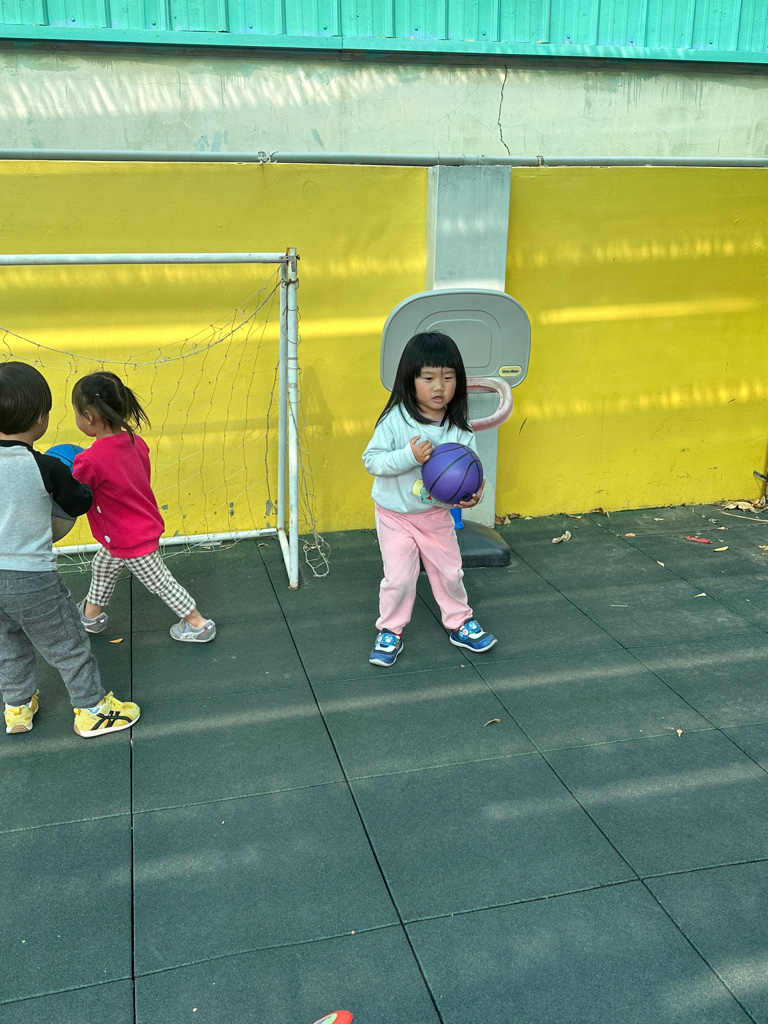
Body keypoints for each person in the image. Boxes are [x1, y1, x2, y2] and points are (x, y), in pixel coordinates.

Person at [0, 361, 140, 737]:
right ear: (41, 418)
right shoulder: (46, 467)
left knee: (8, 643)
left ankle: (17, 708)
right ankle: (92, 710)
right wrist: (81, 484)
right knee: (68, 643)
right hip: (31, 578)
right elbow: (78, 501)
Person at [362, 331, 497, 667]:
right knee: (398, 579)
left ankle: (460, 622)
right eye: (428, 378)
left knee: (450, 572)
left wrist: (471, 495)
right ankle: (390, 629)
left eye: (448, 378)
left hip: (435, 517)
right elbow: (372, 461)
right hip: (395, 516)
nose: (439, 387)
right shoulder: (395, 420)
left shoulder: (459, 429)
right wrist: (408, 456)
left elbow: (470, 472)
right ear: (410, 380)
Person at [71, 371, 216, 643]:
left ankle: (198, 624)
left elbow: (75, 491)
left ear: (89, 417)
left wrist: (63, 472)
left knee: (160, 581)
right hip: (128, 529)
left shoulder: (89, 461)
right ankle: (91, 616)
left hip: (129, 536)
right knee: (102, 566)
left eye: (77, 413)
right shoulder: (134, 441)